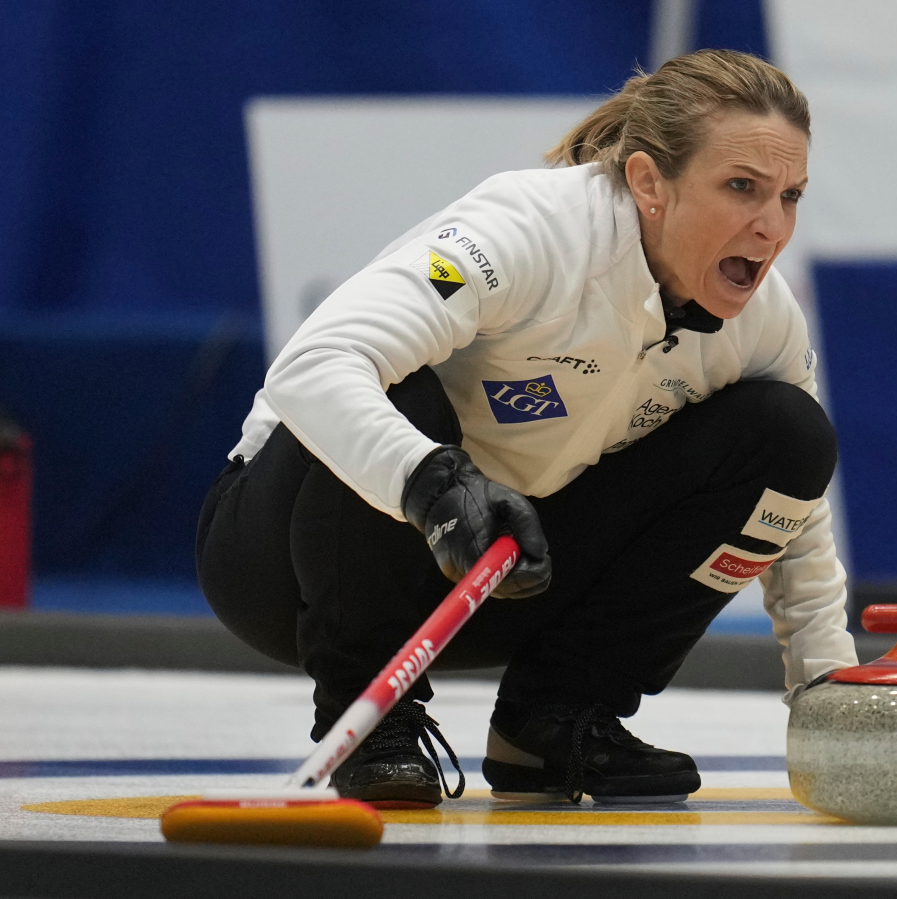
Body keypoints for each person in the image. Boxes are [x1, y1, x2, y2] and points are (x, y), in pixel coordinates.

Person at [195, 49, 857, 808]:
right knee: (396, 383)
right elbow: (311, 366)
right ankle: (370, 715)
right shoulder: (529, 232)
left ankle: (556, 718)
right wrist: (431, 482)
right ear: (649, 183)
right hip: (280, 563)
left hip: (503, 575)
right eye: (742, 188)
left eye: (791, 196)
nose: (772, 227)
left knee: (790, 434)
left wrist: (825, 681)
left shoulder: (764, 322)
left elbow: (790, 513)